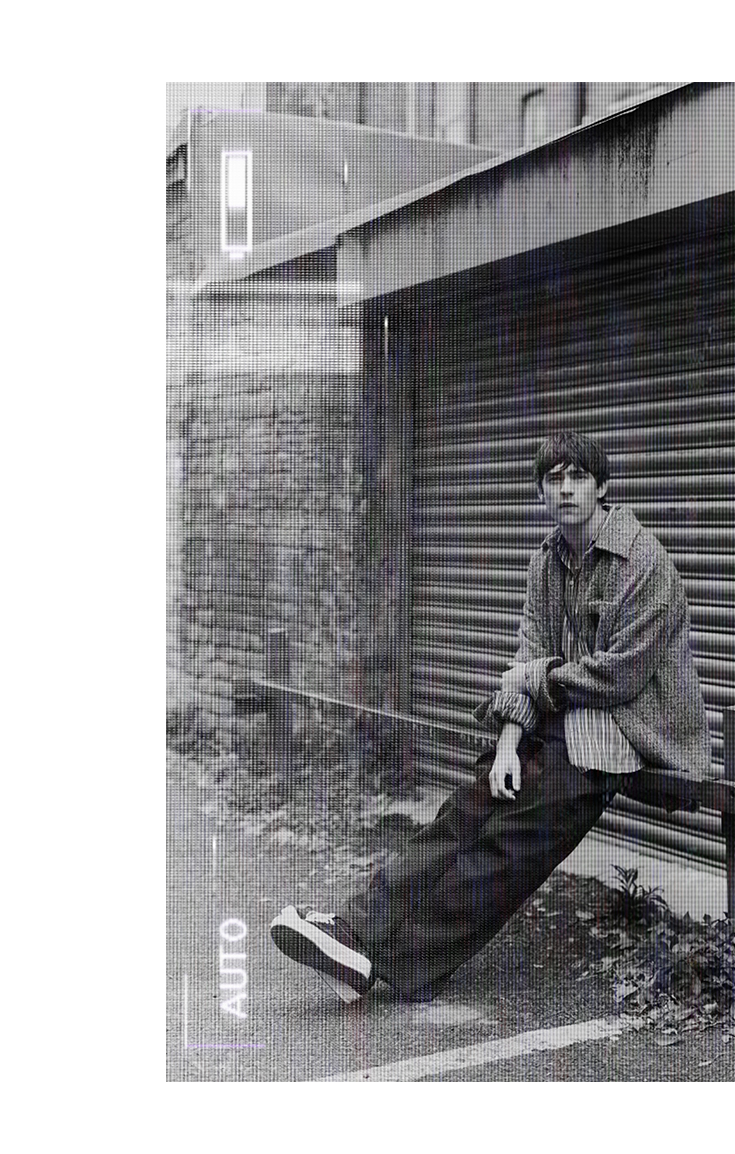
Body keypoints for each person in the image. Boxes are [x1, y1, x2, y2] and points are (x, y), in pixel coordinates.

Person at [269, 428, 708, 1004]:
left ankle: (391, 963)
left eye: (578, 477)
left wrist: (533, 679)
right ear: (541, 493)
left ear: (602, 487)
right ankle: (355, 931)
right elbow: (528, 656)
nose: (566, 489)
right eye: (553, 479)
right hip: (562, 721)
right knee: (466, 810)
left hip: (628, 734)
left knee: (508, 844)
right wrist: (506, 745)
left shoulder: (643, 561)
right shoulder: (547, 562)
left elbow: (618, 677)